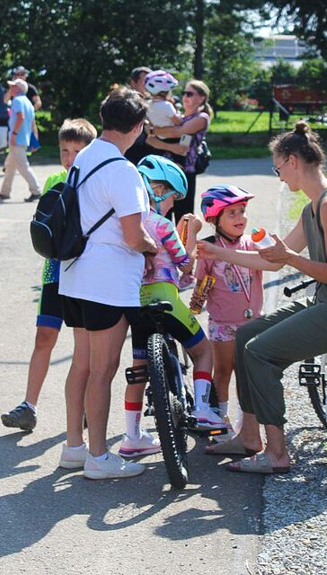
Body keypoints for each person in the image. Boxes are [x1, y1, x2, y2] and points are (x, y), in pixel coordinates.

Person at [199, 122, 327, 474]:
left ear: (294, 160)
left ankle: (277, 454)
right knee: (245, 336)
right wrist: (218, 252)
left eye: (278, 168)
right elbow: (272, 259)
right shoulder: (312, 208)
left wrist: (291, 259)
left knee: (259, 353)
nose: (279, 177)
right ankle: (249, 437)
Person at [57, 87, 159, 480]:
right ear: (135, 126)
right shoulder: (123, 170)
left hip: (74, 276)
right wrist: (153, 249)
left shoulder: (84, 157)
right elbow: (134, 236)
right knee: (103, 370)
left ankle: (74, 447)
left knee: (81, 364)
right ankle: (99, 457)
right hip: (107, 282)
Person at [120, 156, 227, 458]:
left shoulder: (127, 224)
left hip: (135, 306)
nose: (172, 206)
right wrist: (191, 234)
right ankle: (205, 409)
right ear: (158, 192)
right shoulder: (161, 224)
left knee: (139, 371)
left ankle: (131, 436)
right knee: (203, 350)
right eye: (172, 199)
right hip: (166, 301)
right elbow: (185, 263)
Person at [0, 118, 98, 432]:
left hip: (87, 276)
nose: (69, 158)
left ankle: (85, 406)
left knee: (85, 347)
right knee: (44, 337)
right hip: (55, 272)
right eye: (64, 150)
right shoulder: (55, 180)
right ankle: (28, 406)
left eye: (77, 151)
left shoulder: (96, 182)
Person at [192, 185, 264, 433]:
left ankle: (247, 426)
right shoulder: (208, 247)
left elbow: (271, 260)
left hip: (252, 322)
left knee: (248, 376)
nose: (240, 218)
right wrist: (195, 304)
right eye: (231, 213)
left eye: (242, 211)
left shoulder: (253, 244)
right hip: (223, 323)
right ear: (215, 217)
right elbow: (200, 282)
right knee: (223, 372)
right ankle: (220, 421)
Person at [146, 79, 212, 224]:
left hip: (185, 173)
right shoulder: (176, 117)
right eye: (184, 93)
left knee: (184, 218)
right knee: (163, 217)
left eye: (190, 94)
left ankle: (184, 247)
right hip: (165, 173)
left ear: (201, 98)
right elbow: (150, 140)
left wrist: (152, 130)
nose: (185, 97)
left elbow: (178, 132)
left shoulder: (201, 118)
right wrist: (169, 145)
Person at [0, 78, 41, 201]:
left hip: (17, 139)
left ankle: (36, 191)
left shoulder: (17, 101)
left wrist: (14, 134)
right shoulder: (28, 102)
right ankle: (5, 192)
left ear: (19, 89)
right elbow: (32, 123)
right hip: (23, 139)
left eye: (13, 87)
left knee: (23, 166)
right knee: (10, 166)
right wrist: (35, 138)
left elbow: (21, 117)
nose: (10, 89)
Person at [125, 66, 155, 165]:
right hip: (130, 154)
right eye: (145, 82)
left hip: (149, 156)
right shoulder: (124, 102)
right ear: (133, 83)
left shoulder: (157, 104)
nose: (150, 86)